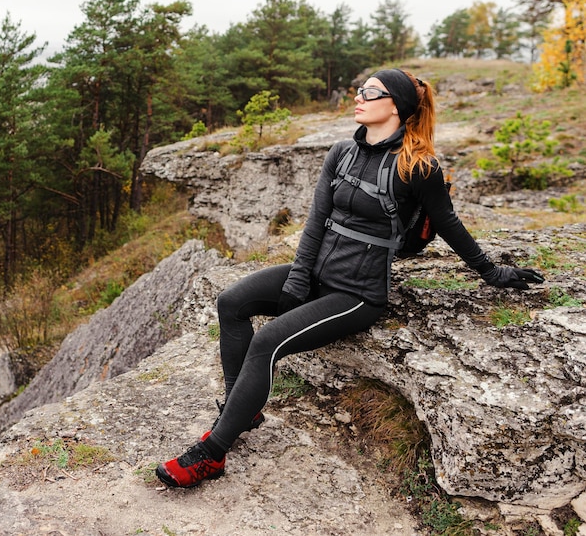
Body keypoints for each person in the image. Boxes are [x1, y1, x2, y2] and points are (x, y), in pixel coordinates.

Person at [155, 68, 544, 488]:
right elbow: (316, 221)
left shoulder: (418, 167)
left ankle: (212, 454)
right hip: (319, 274)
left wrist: (492, 271)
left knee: (268, 341)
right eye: (358, 91)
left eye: (369, 93)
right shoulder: (341, 152)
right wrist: (298, 279)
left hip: (358, 293)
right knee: (232, 301)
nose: (358, 98)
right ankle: (243, 408)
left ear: (395, 104)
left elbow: (449, 224)